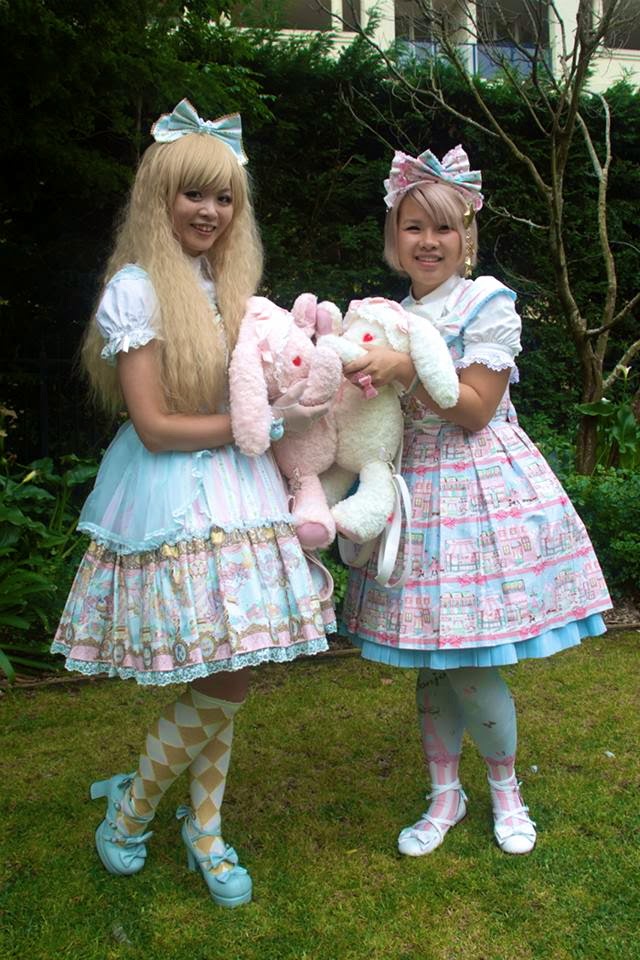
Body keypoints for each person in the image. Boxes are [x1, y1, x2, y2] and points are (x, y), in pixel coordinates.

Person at [51, 99, 334, 907]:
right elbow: (155, 425)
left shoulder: (228, 285)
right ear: (159, 199)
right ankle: (135, 810)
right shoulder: (136, 291)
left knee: (230, 666)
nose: (210, 211)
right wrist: (262, 423)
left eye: (224, 198)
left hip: (240, 487)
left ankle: (200, 826)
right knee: (227, 675)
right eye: (193, 194)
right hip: (176, 492)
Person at [340, 145, 611, 857]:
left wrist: (402, 369)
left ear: (467, 235)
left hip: (477, 492)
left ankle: (506, 789)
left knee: (471, 660)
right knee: (432, 662)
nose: (428, 241)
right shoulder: (387, 314)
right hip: (414, 494)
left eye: (444, 227)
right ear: (394, 237)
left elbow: (476, 409)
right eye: (413, 227)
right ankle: (444, 794)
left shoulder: (486, 302)